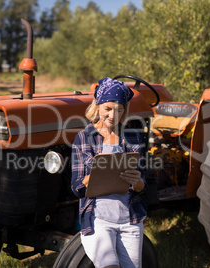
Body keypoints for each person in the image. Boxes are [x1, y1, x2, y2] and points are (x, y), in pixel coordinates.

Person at [71, 77, 147, 268]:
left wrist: (137, 182)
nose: (113, 115)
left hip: (129, 220)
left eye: (119, 109)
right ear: (97, 107)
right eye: (108, 109)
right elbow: (76, 187)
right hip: (98, 219)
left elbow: (143, 185)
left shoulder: (133, 136)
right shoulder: (84, 137)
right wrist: (94, 176)